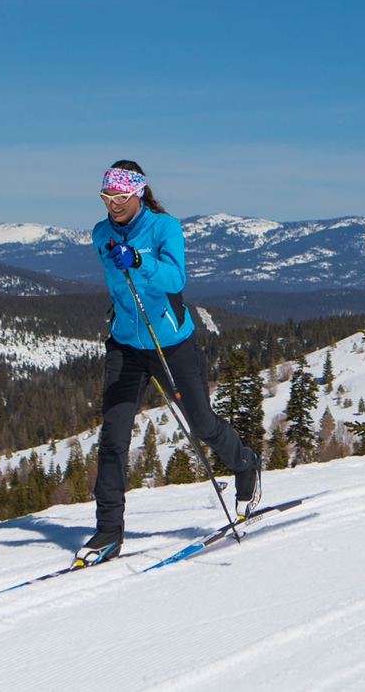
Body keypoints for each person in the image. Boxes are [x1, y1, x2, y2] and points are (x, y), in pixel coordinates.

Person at [78, 160, 261, 565]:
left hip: (172, 343)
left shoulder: (165, 228)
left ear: (138, 193)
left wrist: (140, 262)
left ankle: (246, 466)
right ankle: (108, 532)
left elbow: (176, 280)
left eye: (120, 197)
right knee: (112, 437)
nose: (113, 205)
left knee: (202, 425)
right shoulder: (100, 234)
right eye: (106, 197)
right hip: (126, 344)